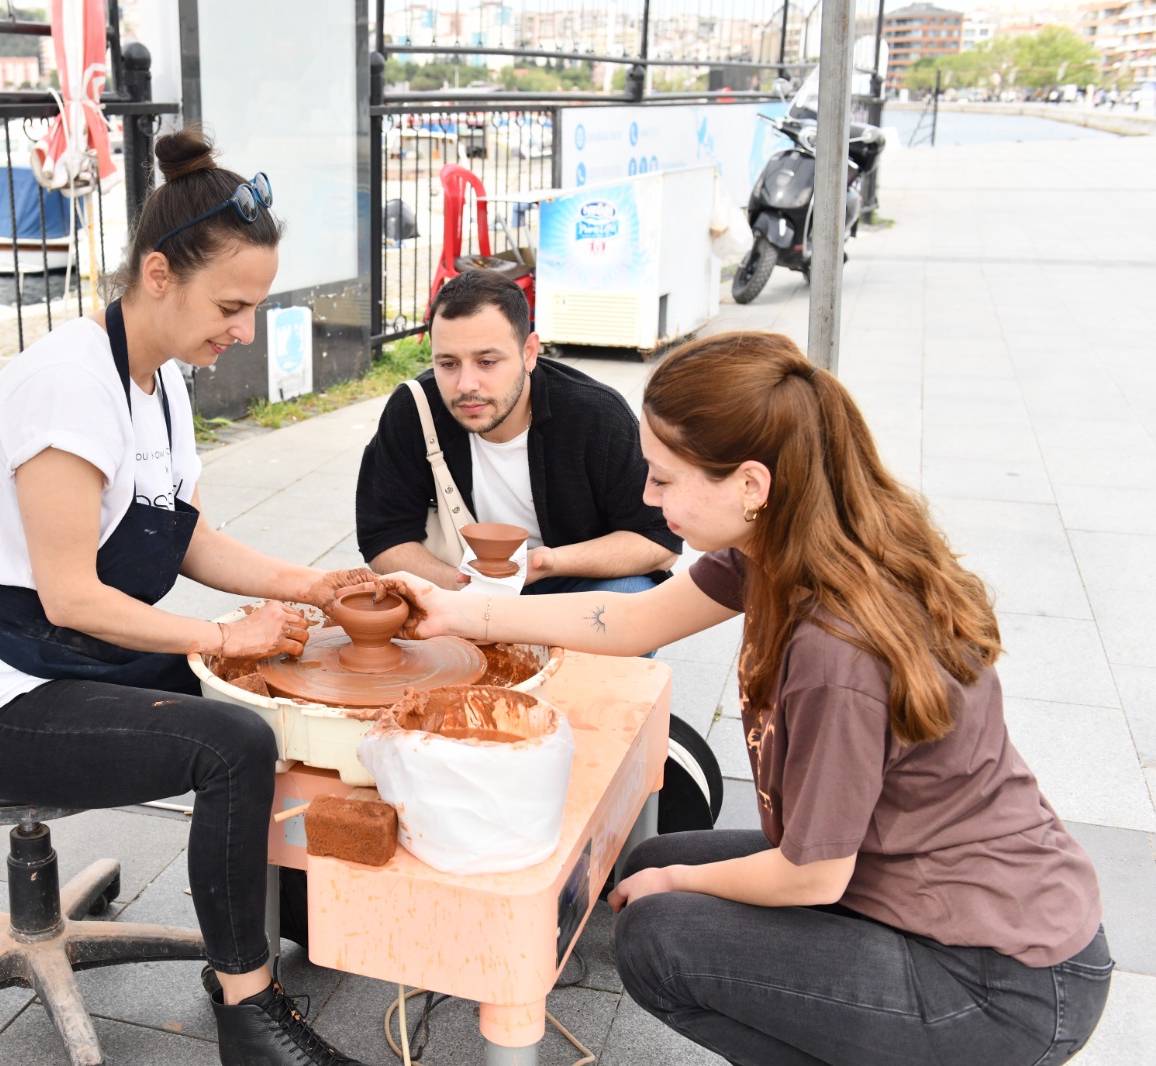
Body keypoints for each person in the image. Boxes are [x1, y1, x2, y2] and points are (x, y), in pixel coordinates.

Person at [387, 330, 1111, 1066]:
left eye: (664, 479)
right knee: (648, 865)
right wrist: (458, 612)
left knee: (657, 934)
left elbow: (813, 874)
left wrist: (678, 883)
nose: (647, 497)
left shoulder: (835, 650)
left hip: (1000, 978)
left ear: (752, 485)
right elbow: (634, 619)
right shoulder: (783, 545)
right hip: (915, 884)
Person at [0, 127, 372, 1066]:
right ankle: (249, 1011)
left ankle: (287, 918)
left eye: (254, 307)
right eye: (232, 306)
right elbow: (72, 598)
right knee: (233, 740)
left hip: (71, 659)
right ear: (158, 274)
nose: (244, 330)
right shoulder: (67, 386)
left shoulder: (157, 381)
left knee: (279, 688)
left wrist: (310, 587)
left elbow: (179, 532)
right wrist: (223, 637)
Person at [356, 268, 681, 596]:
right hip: (461, 581)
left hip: (574, 579)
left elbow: (659, 539)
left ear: (529, 353)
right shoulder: (416, 408)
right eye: (448, 364)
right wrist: (469, 590)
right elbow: (384, 536)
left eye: (486, 361)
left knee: (632, 594)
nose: (466, 385)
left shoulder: (595, 414)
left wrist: (546, 563)